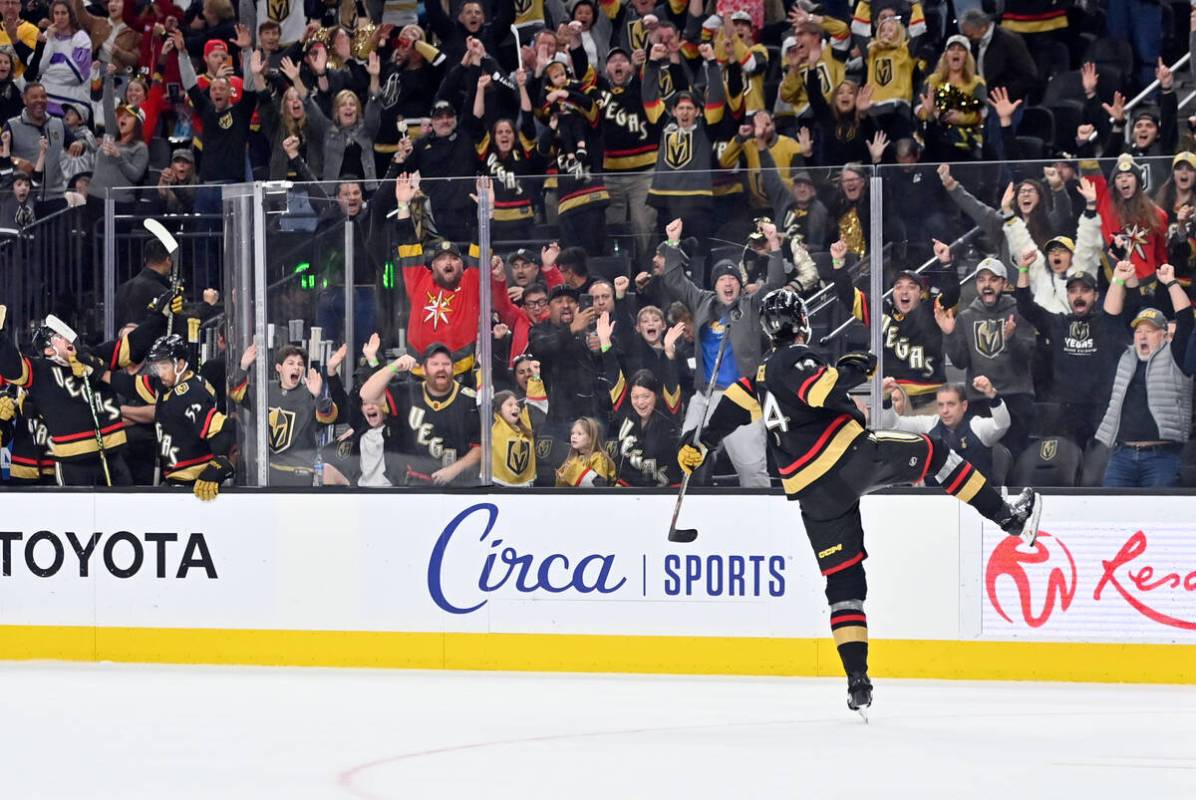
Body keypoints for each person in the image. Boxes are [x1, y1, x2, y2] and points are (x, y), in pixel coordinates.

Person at [676, 287, 1041, 715]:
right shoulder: (795, 359)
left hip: (813, 495)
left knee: (844, 584)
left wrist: (696, 443)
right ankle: (1009, 519)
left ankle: (857, 681)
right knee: (936, 454)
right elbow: (821, 389)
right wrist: (854, 369)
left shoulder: (757, 380)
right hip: (847, 459)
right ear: (802, 323)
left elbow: (724, 415)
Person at [662, 217, 786, 488]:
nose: (728, 283)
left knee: (753, 473)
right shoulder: (702, 301)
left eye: (733, 279)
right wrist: (672, 243)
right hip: (706, 398)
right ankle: (697, 517)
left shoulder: (751, 305)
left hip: (742, 401)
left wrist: (774, 242)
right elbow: (673, 279)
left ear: (740, 285)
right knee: (689, 460)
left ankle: (760, 522)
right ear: (714, 284)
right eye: (723, 279)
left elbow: (776, 281)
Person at [0, 295, 170, 485]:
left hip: (113, 456)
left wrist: (159, 317)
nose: (67, 337)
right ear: (48, 350)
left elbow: (132, 346)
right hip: (73, 463)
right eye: (59, 337)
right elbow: (12, 365)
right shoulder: (39, 371)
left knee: (122, 511)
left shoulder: (92, 357)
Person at [1097, 261, 1194, 487]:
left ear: (1163, 335)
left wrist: (1170, 282)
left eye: (1149, 331)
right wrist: (1118, 279)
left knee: (1160, 518)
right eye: (1138, 331)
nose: (1142, 335)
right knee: (1110, 517)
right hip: (1121, 455)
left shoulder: (1175, 356)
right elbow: (1109, 319)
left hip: (1162, 456)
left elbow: (1186, 319)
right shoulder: (1125, 356)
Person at [102, 333, 234, 498]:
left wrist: (219, 465)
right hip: (174, 480)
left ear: (180, 364)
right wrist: (96, 370)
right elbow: (130, 385)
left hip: (194, 484)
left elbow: (224, 430)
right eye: (157, 367)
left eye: (164, 366)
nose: (160, 373)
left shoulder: (191, 393)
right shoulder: (165, 386)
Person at [835, 238, 960, 409]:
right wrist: (838, 263)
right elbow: (847, 295)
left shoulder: (933, 310)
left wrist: (947, 263)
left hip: (928, 399)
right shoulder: (879, 312)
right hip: (890, 400)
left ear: (922, 293)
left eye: (911, 287)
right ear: (893, 293)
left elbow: (952, 294)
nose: (904, 291)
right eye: (898, 286)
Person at [1014, 262, 1127, 446]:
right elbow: (1025, 306)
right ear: (1067, 296)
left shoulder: (1106, 323)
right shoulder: (1058, 323)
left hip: (1101, 408)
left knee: (1099, 466)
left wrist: (1119, 279)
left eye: (1085, 290)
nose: (1079, 296)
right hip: (1066, 410)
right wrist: (1024, 269)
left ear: (1096, 296)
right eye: (1073, 291)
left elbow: (1121, 306)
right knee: (1067, 465)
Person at [939, 257, 1037, 456]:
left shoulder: (1019, 312)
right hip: (979, 400)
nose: (987, 285)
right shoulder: (966, 316)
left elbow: (1028, 357)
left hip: (1015, 397)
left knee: (1017, 459)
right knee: (982, 460)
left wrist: (1010, 338)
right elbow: (959, 362)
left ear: (1004, 283)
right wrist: (948, 334)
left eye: (993, 279)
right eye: (981, 280)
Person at [358, 343, 482, 486]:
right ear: (423, 369)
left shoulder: (468, 399)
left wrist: (453, 470)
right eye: (435, 364)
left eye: (446, 364)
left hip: (459, 485)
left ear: (453, 369)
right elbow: (367, 394)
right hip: (414, 486)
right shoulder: (407, 392)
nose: (441, 368)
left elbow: (479, 447)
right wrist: (395, 366)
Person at [229, 341, 344, 486]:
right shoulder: (265, 390)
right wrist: (243, 366)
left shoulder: (309, 394)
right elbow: (235, 393)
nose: (296, 367)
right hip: (265, 472)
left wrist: (319, 395)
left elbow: (330, 416)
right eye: (291, 363)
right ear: (279, 368)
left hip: (298, 473)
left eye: (300, 364)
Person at [880, 376, 1009, 479]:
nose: (945, 411)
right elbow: (894, 426)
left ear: (964, 406)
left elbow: (1002, 424)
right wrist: (886, 399)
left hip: (975, 502)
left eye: (951, 404)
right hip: (936, 502)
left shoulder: (977, 426)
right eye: (941, 405)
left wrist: (992, 396)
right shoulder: (930, 424)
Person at [555, 415, 616, 487]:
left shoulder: (598, 458)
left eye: (579, 434)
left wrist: (575, 471)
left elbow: (599, 487)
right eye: (572, 433)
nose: (573, 436)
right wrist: (562, 480)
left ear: (590, 439)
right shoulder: (572, 459)